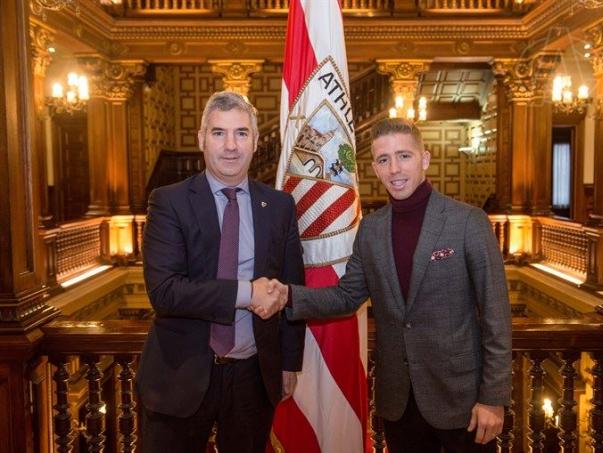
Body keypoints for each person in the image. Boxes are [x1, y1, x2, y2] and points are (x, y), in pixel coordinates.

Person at [259, 118, 512, 452]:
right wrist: (287, 294)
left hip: (461, 403)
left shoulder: (468, 222)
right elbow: (347, 296)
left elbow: (496, 315)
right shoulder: (371, 230)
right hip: (399, 404)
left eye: (404, 156)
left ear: (425, 159)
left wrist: (493, 398)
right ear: (375, 168)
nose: (395, 168)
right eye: (383, 160)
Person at [137, 91, 304, 453]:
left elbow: (291, 286)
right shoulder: (169, 201)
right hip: (179, 376)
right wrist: (248, 293)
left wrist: (289, 362)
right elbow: (165, 292)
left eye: (242, 133)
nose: (231, 145)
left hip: (252, 377)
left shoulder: (278, 206)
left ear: (256, 142)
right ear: (201, 139)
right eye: (219, 133)